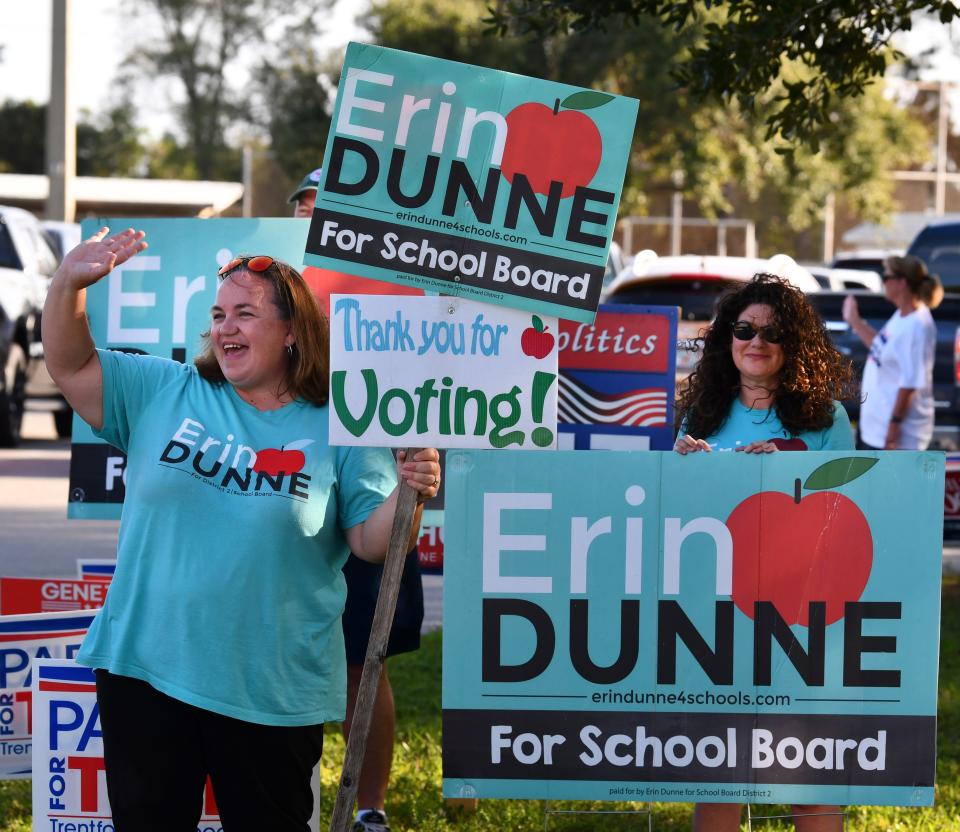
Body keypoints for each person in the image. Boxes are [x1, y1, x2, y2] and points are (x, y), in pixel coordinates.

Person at [41, 227, 441, 832]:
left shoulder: (342, 425)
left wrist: (413, 489)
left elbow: (371, 541)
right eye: (219, 314)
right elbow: (69, 363)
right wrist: (68, 284)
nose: (225, 327)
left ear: (291, 332)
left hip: (271, 690)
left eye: (246, 314)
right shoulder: (167, 389)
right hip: (145, 671)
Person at [674, 273, 856, 832]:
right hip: (718, 617)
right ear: (726, 339)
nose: (757, 341)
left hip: (806, 618)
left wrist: (789, 461)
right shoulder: (698, 418)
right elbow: (672, 515)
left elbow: (852, 511)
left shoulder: (829, 419)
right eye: (744, 329)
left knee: (810, 769)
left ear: (793, 343)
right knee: (722, 771)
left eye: (772, 333)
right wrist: (680, 466)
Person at [291, 169, 426, 832]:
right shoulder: (272, 293)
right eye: (305, 210)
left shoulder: (393, 298)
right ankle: (296, 800)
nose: (314, 222)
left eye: (326, 212)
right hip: (285, 496)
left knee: (358, 662)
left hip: (369, 489)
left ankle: (368, 807)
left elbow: (436, 385)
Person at [842, 254, 942, 450]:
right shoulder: (902, 315)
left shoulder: (918, 326)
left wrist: (893, 427)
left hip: (897, 437)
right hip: (876, 430)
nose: (883, 282)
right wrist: (855, 320)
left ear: (902, 282)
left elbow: (910, 384)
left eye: (886, 277)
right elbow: (880, 346)